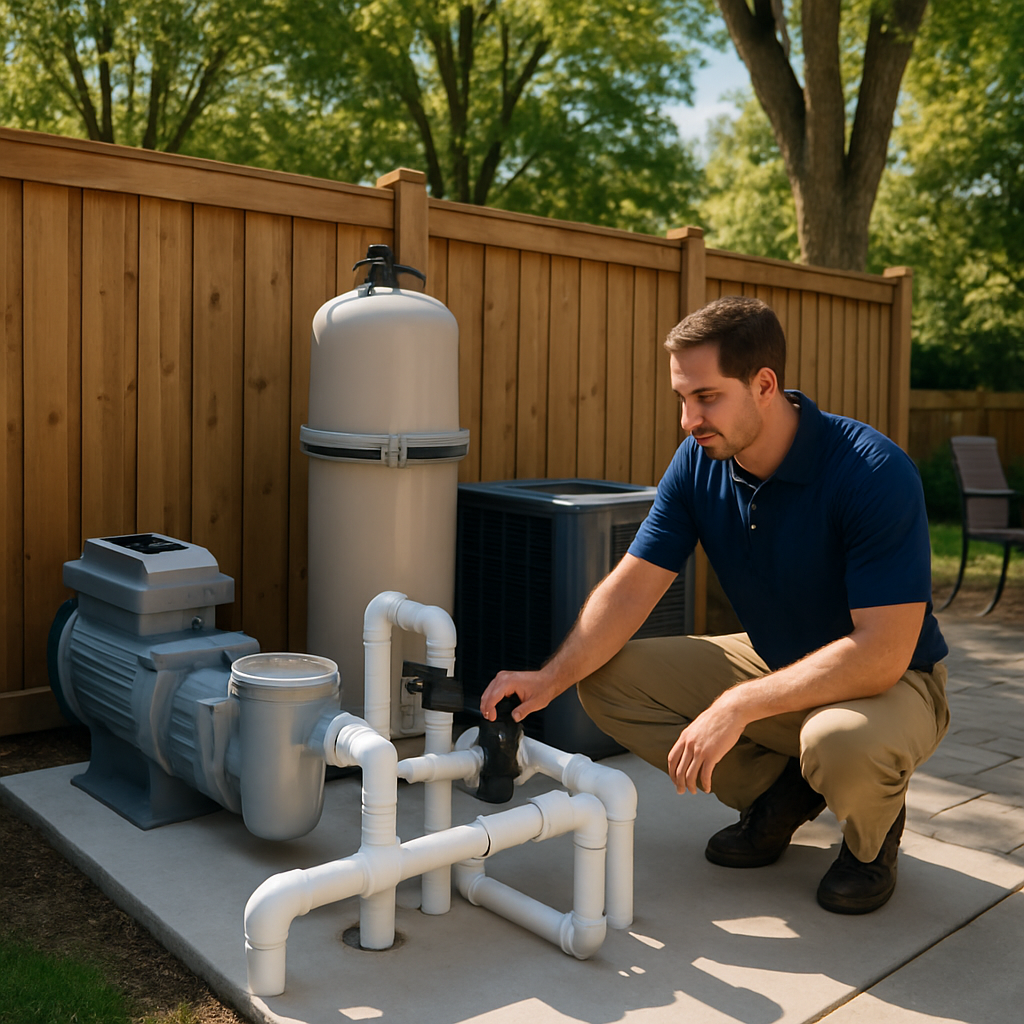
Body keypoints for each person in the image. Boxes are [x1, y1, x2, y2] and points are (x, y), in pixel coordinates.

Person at [480, 295, 949, 914]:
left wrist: (736, 705)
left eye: (706, 397)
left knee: (838, 741)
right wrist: (552, 676)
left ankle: (872, 837)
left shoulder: (872, 472)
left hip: (892, 684)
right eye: (682, 398)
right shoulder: (699, 464)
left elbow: (883, 654)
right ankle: (782, 792)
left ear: (764, 384)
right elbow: (630, 587)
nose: (687, 419)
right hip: (778, 662)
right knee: (606, 680)